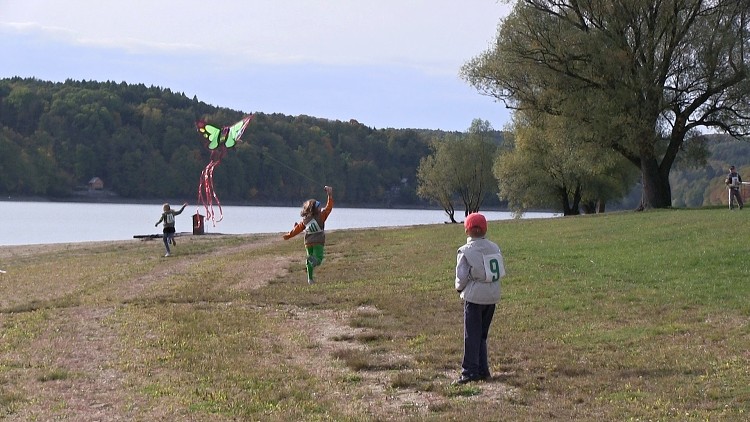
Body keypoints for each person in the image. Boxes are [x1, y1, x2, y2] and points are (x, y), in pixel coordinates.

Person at [453, 212, 505, 385]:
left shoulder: (465, 251)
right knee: (482, 335)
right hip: (492, 295)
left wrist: (459, 289)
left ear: (467, 230)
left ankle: (469, 372)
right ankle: (483, 370)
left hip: (475, 297)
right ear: (485, 229)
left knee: (471, 335)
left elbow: (461, 276)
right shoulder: (495, 247)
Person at [283, 186, 334, 284]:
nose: (321, 206)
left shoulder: (305, 220)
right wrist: (330, 195)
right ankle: (313, 262)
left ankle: (310, 279)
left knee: (309, 259)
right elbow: (329, 207)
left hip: (308, 242)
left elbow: (297, 229)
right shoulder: (321, 216)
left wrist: (289, 235)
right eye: (319, 205)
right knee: (318, 259)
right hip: (318, 241)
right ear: (315, 209)